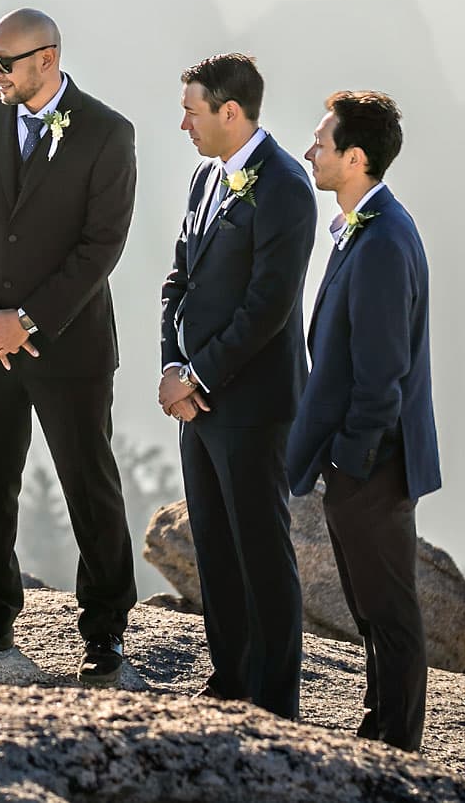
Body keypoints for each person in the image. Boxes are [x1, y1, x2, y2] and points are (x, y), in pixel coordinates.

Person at [0, 8, 139, 686]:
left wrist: (27, 319)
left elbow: (100, 247)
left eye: (5, 62)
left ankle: (105, 630)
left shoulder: (108, 133)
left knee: (89, 483)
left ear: (47, 59)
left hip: (68, 345)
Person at [158, 52, 314, 720]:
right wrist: (171, 366)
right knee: (214, 545)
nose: (183, 123)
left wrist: (199, 375)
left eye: (192, 110)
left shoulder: (284, 187)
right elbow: (177, 278)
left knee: (260, 549)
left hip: (254, 404)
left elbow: (267, 308)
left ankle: (276, 699)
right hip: (195, 403)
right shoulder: (204, 178)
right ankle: (229, 677)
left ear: (230, 111)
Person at [287, 89, 440, 752]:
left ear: (355, 158)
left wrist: (350, 459)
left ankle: (398, 747)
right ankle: (379, 729)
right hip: (364, 462)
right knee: (372, 610)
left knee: (390, 613)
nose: (309, 152)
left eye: (321, 143)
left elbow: (384, 374)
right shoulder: (371, 227)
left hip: (375, 464)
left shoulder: (381, 241)